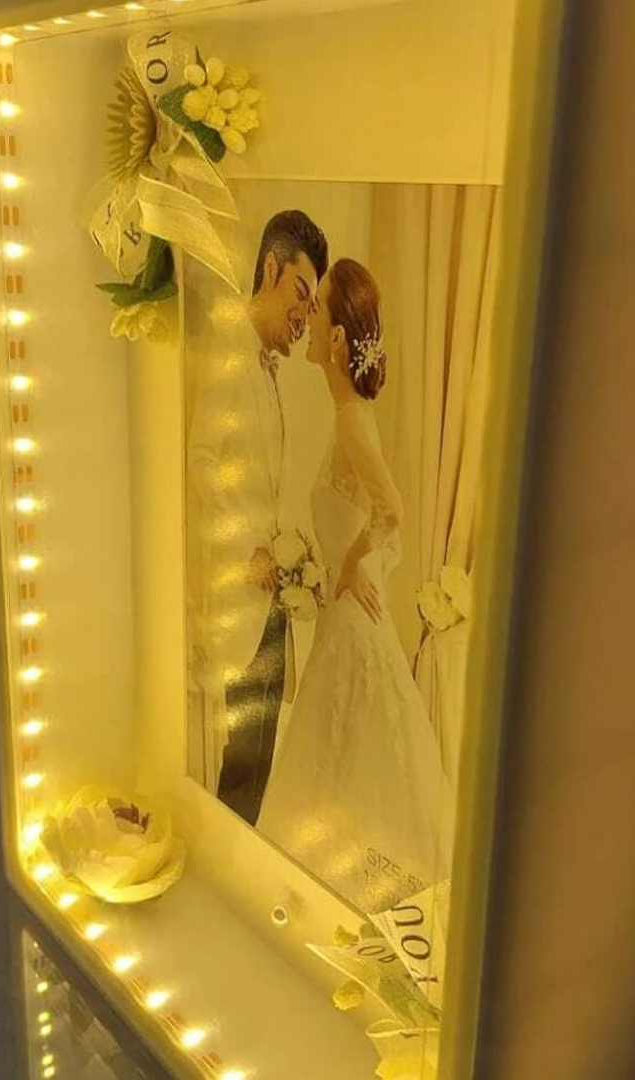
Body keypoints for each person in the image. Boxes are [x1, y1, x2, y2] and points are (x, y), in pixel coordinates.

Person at [257, 258, 451, 913]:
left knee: (353, 759)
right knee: (348, 758)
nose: (307, 319)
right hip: (345, 622)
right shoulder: (351, 414)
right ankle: (339, 884)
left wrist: (353, 562)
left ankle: (348, 891)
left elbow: (392, 507)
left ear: (337, 338)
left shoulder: (351, 420)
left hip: (353, 625)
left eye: (317, 310)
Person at [187, 210, 329, 826]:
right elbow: (199, 459)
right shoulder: (227, 350)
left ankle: (240, 850)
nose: (304, 314)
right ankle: (225, 854)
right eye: (300, 293)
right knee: (240, 758)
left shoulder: (270, 373)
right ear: (270, 270)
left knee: (260, 756)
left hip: (270, 599)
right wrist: (247, 549)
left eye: (312, 304)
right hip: (237, 594)